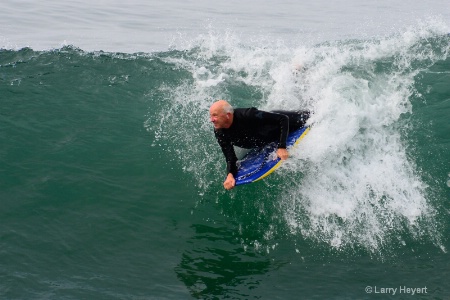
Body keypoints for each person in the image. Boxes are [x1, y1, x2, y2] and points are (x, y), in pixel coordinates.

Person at [209, 100, 310, 190]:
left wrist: (282, 147)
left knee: (311, 116)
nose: (211, 120)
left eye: (215, 115)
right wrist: (230, 175)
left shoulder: (248, 115)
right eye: (211, 116)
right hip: (269, 137)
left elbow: (283, 119)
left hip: (289, 122)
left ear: (228, 115)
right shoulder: (220, 132)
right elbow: (230, 158)